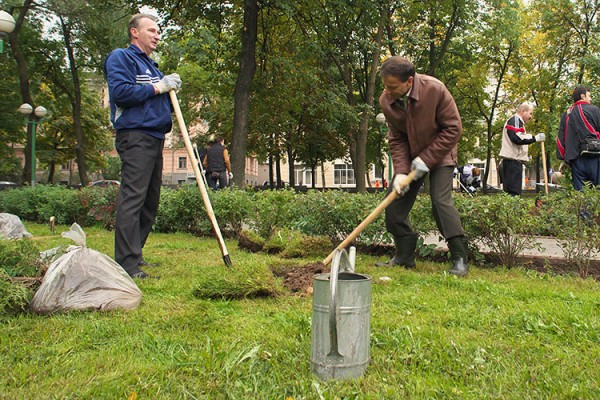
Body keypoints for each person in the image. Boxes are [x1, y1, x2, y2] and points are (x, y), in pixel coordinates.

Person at [376, 56, 469, 277]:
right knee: (394, 201)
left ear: (409, 81)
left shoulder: (435, 89)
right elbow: (397, 138)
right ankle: (404, 256)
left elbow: (453, 129)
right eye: (385, 87)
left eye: (392, 87)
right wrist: (400, 171)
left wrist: (426, 160)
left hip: (441, 153)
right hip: (410, 157)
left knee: (439, 200)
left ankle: (460, 258)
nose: (387, 92)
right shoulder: (387, 101)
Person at [104, 13, 182, 279]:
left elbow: (155, 98)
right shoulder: (121, 58)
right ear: (134, 33)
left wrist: (169, 93)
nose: (157, 35)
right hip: (135, 136)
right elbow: (121, 94)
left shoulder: (153, 67)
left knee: (150, 202)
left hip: (155, 138)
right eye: (151, 30)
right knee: (133, 198)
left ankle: (134, 255)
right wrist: (159, 87)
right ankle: (126, 264)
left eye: (158, 31)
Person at [556, 86, 600, 190]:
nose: (591, 99)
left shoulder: (567, 114)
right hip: (595, 156)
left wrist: (563, 158)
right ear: (582, 96)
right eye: (589, 96)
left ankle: (583, 207)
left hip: (576, 160)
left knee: (581, 194)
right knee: (597, 192)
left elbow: (560, 140)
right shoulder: (594, 110)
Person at [498, 103, 546, 196]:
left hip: (513, 162)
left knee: (512, 193)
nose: (531, 117)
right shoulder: (515, 120)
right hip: (512, 163)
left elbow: (519, 136)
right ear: (523, 111)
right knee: (514, 193)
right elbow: (516, 137)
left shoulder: (517, 122)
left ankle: (511, 210)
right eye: (530, 113)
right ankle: (513, 210)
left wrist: (532, 137)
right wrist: (535, 138)